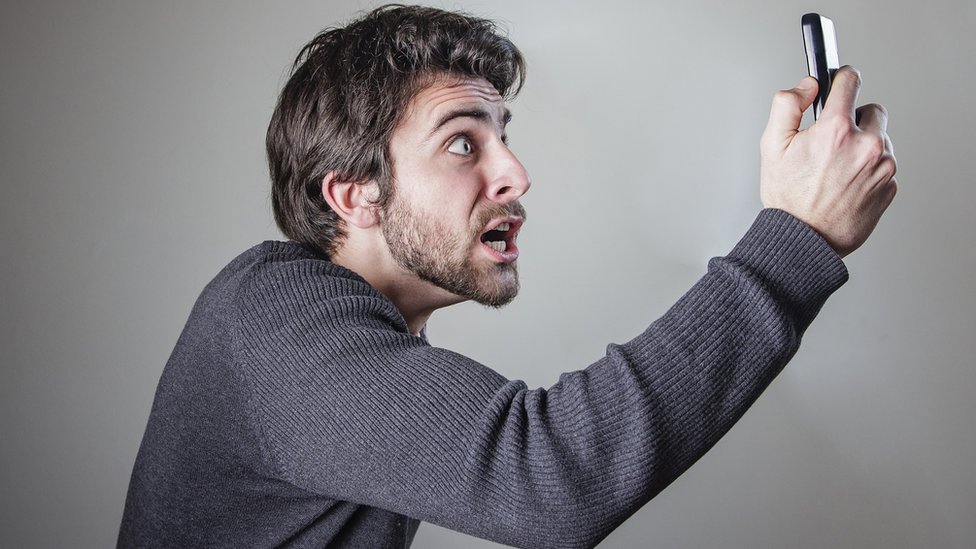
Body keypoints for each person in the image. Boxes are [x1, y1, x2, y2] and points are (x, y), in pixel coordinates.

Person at [117, 5, 897, 549]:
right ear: (352, 195)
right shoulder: (271, 314)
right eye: (463, 143)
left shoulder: (347, 342)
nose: (516, 173)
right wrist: (796, 238)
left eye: (503, 136)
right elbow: (548, 477)